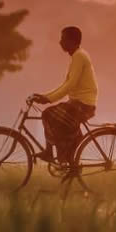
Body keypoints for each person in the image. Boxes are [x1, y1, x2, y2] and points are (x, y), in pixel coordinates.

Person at [32, 26, 98, 163]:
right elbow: (66, 85)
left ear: (72, 41)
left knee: (47, 114)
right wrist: (46, 96)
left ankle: (50, 152)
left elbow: (69, 86)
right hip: (78, 103)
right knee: (57, 121)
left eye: (63, 39)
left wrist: (48, 99)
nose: (60, 42)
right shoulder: (77, 56)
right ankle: (68, 157)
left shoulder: (79, 56)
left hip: (82, 105)